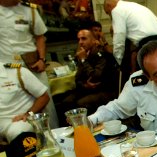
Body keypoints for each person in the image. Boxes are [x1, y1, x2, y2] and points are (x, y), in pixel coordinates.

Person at [0, 0, 59, 129]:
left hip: (32, 65)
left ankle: (55, 135)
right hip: (7, 68)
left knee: (46, 105)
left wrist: (42, 59)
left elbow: (40, 37)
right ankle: (25, 140)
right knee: (14, 106)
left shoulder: (29, 10)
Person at [55, 29, 118, 123]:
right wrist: (84, 85)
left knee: (81, 104)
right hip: (87, 89)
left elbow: (96, 76)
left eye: (84, 39)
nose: (80, 42)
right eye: (79, 39)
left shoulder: (101, 54)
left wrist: (84, 60)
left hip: (104, 90)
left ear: (93, 40)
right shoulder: (83, 54)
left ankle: (88, 127)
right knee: (64, 102)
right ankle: (72, 130)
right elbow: (77, 79)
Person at [103, 0, 157, 79]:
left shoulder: (117, 10)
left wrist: (118, 61)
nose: (110, 16)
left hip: (148, 43)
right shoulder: (134, 6)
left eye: (108, 13)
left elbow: (119, 36)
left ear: (108, 5)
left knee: (148, 78)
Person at [0, 62, 49, 143]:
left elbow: (44, 97)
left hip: (19, 120)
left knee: (17, 132)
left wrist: (28, 114)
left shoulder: (18, 72)